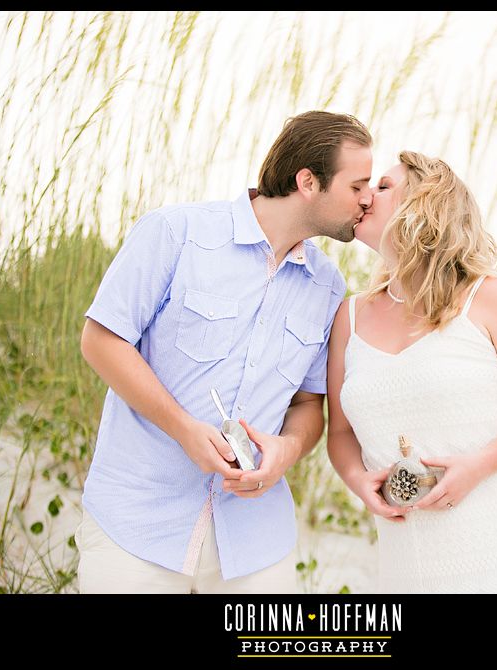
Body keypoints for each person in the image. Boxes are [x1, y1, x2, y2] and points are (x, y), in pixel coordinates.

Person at [76, 111, 374, 593]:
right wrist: (183, 429)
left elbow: (307, 405)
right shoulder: (176, 232)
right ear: (307, 181)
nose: (368, 199)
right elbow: (101, 340)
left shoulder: (327, 286)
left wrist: (288, 449)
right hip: (137, 524)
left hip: (256, 543)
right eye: (357, 185)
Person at [326, 151, 497, 593]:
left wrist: (478, 466)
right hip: (410, 562)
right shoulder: (350, 317)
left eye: (383, 187)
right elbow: (341, 435)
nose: (365, 196)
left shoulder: (491, 298)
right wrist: (357, 480)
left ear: (424, 206)